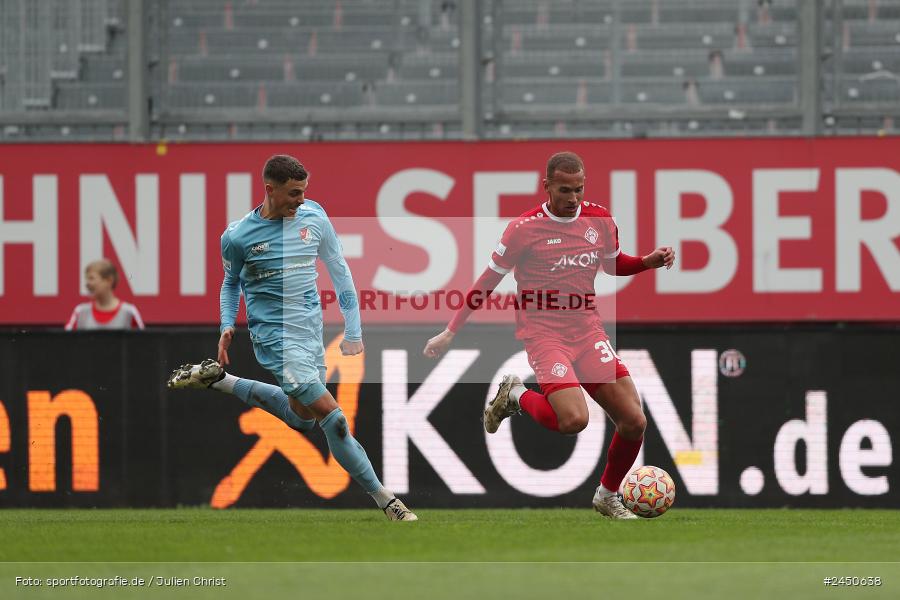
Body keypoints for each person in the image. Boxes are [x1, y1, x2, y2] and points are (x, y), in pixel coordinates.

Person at [423, 151, 675, 520]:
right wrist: (450, 331)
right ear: (547, 187)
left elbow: (611, 264)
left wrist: (645, 262)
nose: (573, 198)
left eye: (579, 189)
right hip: (544, 335)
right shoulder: (523, 229)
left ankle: (607, 496)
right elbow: (487, 282)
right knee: (573, 421)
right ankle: (516, 395)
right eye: (564, 190)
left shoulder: (600, 219)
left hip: (587, 329)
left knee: (634, 421)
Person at [167, 154, 416, 521]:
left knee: (301, 418)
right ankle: (386, 500)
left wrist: (353, 329)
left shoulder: (315, 217)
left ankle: (221, 382)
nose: (300, 200)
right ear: (270, 189)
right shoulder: (237, 236)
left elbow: (339, 270)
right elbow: (230, 283)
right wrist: (226, 325)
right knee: (334, 418)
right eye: (293, 193)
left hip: (311, 334)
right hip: (274, 339)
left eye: (303, 192)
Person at [65, 259, 145, 331]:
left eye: (91, 278)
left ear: (109, 280)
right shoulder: (80, 312)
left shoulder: (129, 312)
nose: (87, 283)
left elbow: (144, 343)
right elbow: (64, 342)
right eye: (87, 279)